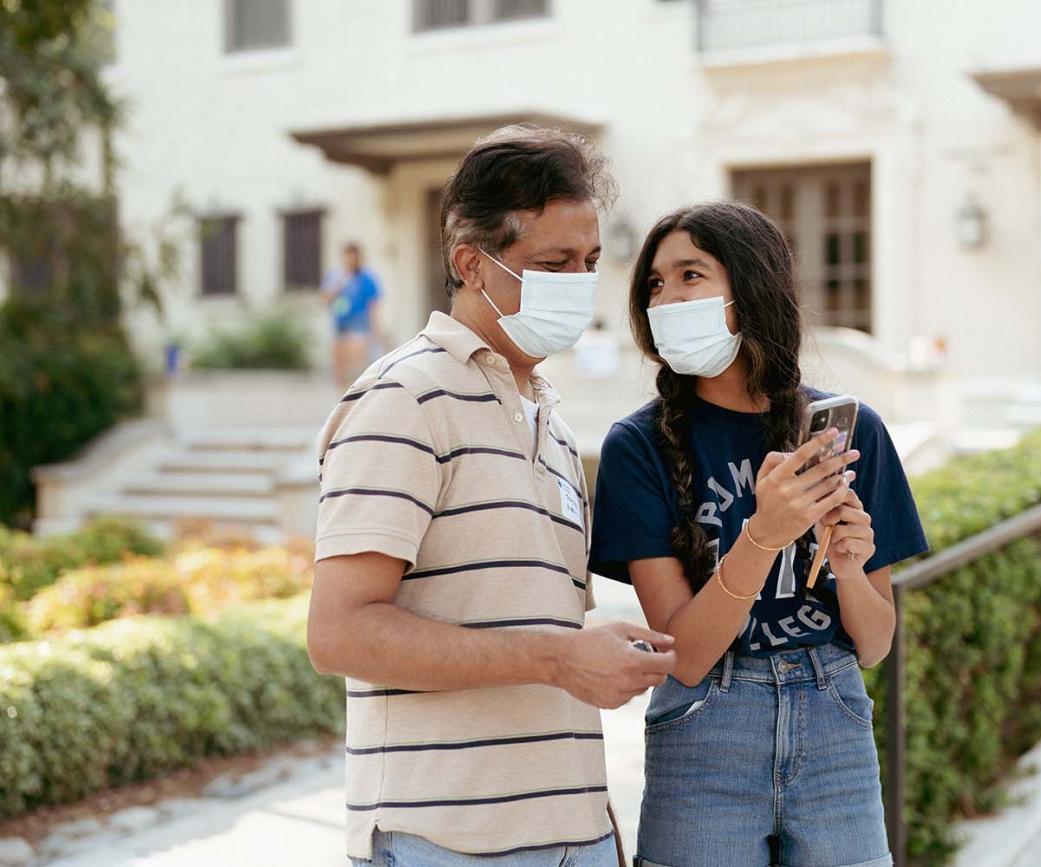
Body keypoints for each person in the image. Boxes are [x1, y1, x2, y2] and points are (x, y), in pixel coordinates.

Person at [307, 125, 676, 867]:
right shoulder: (402, 400)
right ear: (471, 263)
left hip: (578, 835)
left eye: (590, 262)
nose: (578, 281)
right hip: (447, 842)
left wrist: (597, 657)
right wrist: (557, 659)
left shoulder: (554, 419)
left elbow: (539, 628)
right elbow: (338, 633)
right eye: (553, 262)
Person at [589, 202, 929, 867]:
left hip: (834, 720)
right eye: (656, 284)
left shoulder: (852, 434)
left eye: (691, 275)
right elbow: (684, 655)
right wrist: (763, 534)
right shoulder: (636, 447)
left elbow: (876, 642)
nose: (667, 297)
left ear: (749, 290)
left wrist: (849, 565)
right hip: (704, 727)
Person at [321, 241, 384, 390]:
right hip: (339, 320)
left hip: (359, 322)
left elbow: (373, 304)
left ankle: (354, 388)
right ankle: (341, 390)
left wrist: (375, 329)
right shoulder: (335, 276)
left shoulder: (367, 278)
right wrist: (337, 288)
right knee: (338, 357)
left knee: (356, 357)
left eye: (353, 256)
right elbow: (324, 299)